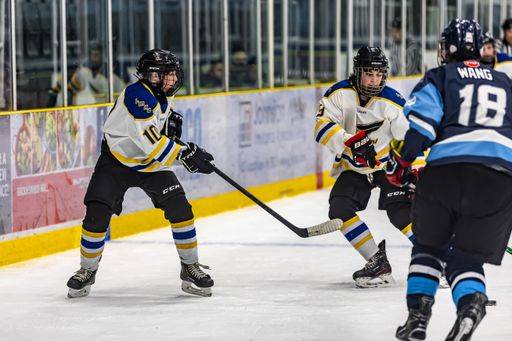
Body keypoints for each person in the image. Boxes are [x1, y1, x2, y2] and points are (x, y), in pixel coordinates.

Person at [388, 19, 512, 340]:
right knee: (466, 256)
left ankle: (418, 317)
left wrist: (400, 165)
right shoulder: (505, 82)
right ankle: (471, 305)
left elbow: (422, 129)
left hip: (447, 172)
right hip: (499, 180)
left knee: (429, 247)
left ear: (449, 49)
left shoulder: (440, 77)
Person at [66, 49, 216, 298]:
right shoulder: (138, 95)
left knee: (180, 209)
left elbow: (156, 138)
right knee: (97, 213)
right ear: (152, 75)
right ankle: (87, 270)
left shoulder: (162, 96)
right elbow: (150, 142)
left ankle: (190, 267)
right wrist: (182, 154)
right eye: (166, 74)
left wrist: (184, 149)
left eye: (172, 74)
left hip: (149, 166)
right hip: (116, 162)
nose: (172, 79)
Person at [314, 46, 420, 288]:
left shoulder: (393, 102)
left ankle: (440, 259)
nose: (374, 80)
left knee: (400, 212)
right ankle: (376, 260)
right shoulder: (338, 94)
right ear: (357, 72)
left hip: (387, 166)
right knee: (339, 208)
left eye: (378, 74)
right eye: (369, 74)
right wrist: (349, 140)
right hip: (356, 168)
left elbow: (410, 141)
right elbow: (321, 128)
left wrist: (415, 171)